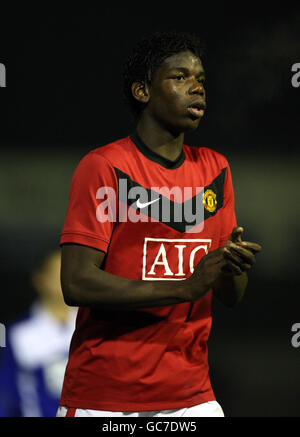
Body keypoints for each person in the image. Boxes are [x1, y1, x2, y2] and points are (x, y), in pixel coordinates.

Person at [56, 31, 261, 418]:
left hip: (192, 398)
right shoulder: (104, 166)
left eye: (201, 79)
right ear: (142, 91)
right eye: (180, 77)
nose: (196, 87)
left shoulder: (215, 169)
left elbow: (230, 295)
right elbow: (76, 282)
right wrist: (184, 287)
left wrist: (232, 267)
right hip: (105, 399)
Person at [0, 249, 76, 417]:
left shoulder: (96, 326)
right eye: (57, 273)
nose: (64, 279)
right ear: (40, 279)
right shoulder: (17, 334)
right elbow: (5, 393)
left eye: (70, 271)